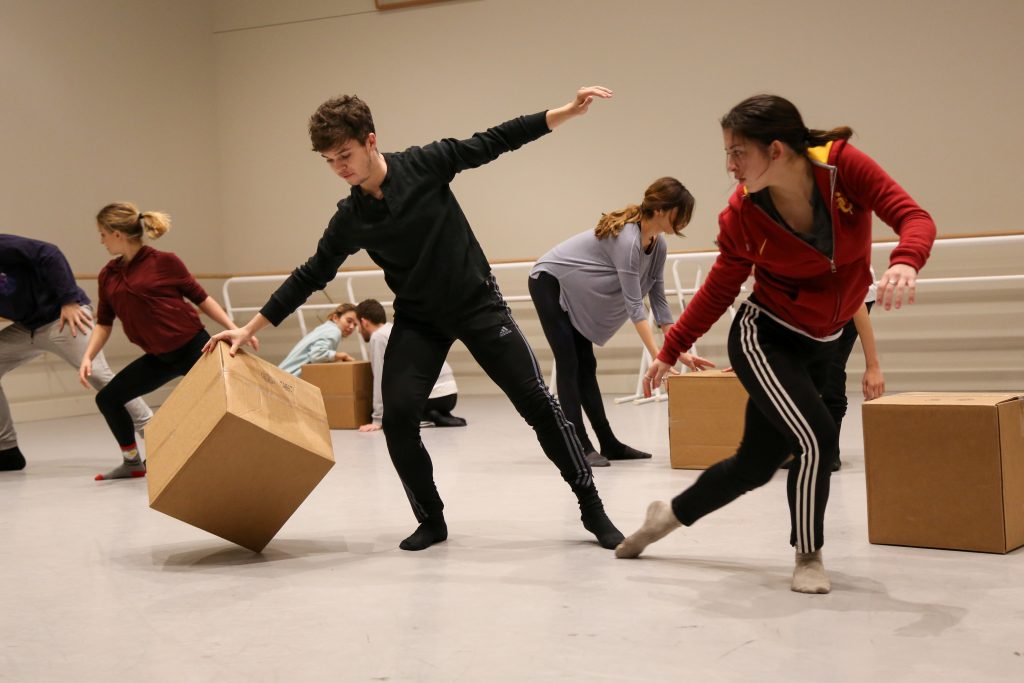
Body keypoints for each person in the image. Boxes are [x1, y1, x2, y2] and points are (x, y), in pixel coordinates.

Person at [205, 86, 625, 552]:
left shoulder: (426, 163)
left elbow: (496, 140)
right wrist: (249, 327)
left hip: (477, 304)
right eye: (329, 161)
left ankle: (592, 509)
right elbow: (312, 273)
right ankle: (431, 519)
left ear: (370, 141)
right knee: (398, 418)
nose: (339, 167)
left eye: (345, 154)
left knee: (537, 405)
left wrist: (564, 112)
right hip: (420, 319)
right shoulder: (351, 217)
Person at [615, 94, 936, 594]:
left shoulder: (842, 167)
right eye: (727, 153)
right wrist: (670, 347)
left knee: (754, 464)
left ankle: (665, 517)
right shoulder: (743, 212)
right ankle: (808, 555)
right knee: (817, 439)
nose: (729, 166)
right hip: (766, 336)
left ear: (778, 149)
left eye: (738, 152)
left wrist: (905, 260)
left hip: (825, 340)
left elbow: (913, 216)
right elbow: (721, 286)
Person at [79, 203, 256, 481]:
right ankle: (132, 462)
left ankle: (245, 460)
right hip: (159, 357)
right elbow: (104, 322)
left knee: (220, 406)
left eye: (102, 234)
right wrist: (88, 356)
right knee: (108, 398)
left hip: (195, 348)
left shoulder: (164, 261)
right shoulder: (108, 275)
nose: (100, 240)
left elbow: (201, 298)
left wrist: (236, 329)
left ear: (116, 234)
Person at [529, 177, 694, 467]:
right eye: (680, 213)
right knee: (569, 364)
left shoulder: (659, 244)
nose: (684, 221)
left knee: (586, 365)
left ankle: (608, 443)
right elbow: (634, 307)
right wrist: (662, 358)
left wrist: (678, 350)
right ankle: (577, 445)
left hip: (571, 289)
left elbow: (659, 302)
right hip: (549, 282)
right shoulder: (628, 241)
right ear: (661, 210)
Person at [0, 234, 151, 472]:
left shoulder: (3, 246)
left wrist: (69, 300)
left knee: (98, 374)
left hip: (63, 318)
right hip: (26, 327)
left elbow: (49, 252)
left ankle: (157, 440)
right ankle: (6, 450)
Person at [354, 299, 466, 432]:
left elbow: (380, 379)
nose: (358, 331)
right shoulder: (395, 330)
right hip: (450, 396)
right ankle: (435, 414)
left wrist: (378, 419)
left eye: (357, 325)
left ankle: (426, 417)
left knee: (394, 402)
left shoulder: (378, 337)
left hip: (431, 397)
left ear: (364, 322)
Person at [278, 302, 359, 376]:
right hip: (287, 379)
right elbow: (317, 355)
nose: (352, 327)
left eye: (355, 325)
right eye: (349, 321)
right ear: (335, 318)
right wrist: (342, 355)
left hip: (282, 374)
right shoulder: (334, 331)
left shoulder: (325, 328)